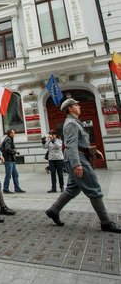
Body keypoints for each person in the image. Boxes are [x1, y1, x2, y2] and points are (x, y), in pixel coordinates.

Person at [45, 99, 121, 233]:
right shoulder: (71, 124)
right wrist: (77, 165)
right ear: (69, 108)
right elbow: (70, 145)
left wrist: (93, 151)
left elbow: (81, 142)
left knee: (72, 189)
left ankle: (53, 210)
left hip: (79, 157)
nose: (79, 106)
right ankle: (106, 222)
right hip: (78, 159)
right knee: (94, 189)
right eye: (76, 105)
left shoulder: (75, 122)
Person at [1, 129, 25, 194]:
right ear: (10, 133)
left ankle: (17, 188)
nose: (14, 134)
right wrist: (15, 151)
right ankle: (5, 189)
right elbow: (7, 148)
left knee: (15, 174)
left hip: (11, 160)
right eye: (13, 133)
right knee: (8, 175)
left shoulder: (9, 139)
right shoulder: (8, 139)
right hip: (8, 160)